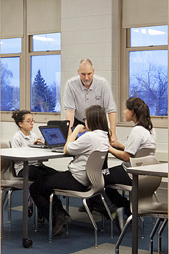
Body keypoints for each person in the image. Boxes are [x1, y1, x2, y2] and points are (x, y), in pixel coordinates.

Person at [29, 105, 111, 237]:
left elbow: (67, 149)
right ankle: (59, 213)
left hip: (77, 179)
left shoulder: (90, 136)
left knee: (35, 187)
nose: (84, 122)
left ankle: (59, 217)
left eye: (85, 119)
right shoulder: (104, 136)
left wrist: (75, 130)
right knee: (49, 178)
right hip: (90, 179)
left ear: (92, 119)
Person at [105, 96, 158, 212]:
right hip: (145, 174)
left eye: (126, 109)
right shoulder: (149, 129)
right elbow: (138, 151)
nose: (124, 112)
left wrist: (108, 148)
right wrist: (119, 146)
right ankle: (125, 207)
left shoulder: (137, 131)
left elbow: (127, 157)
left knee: (100, 178)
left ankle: (123, 207)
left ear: (132, 112)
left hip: (131, 173)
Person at [62, 58, 117, 134]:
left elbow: (111, 110)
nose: (86, 78)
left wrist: (113, 133)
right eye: (83, 74)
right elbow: (70, 112)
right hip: (79, 123)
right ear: (78, 72)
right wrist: (69, 134)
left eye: (89, 74)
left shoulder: (103, 84)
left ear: (93, 71)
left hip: (98, 123)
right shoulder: (71, 84)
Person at [8, 108, 43, 176]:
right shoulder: (16, 137)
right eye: (28, 121)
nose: (32, 123)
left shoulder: (34, 135)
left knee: (54, 173)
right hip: (23, 168)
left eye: (32, 121)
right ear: (20, 124)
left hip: (37, 165)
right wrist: (31, 148)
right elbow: (16, 158)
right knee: (43, 175)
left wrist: (40, 148)